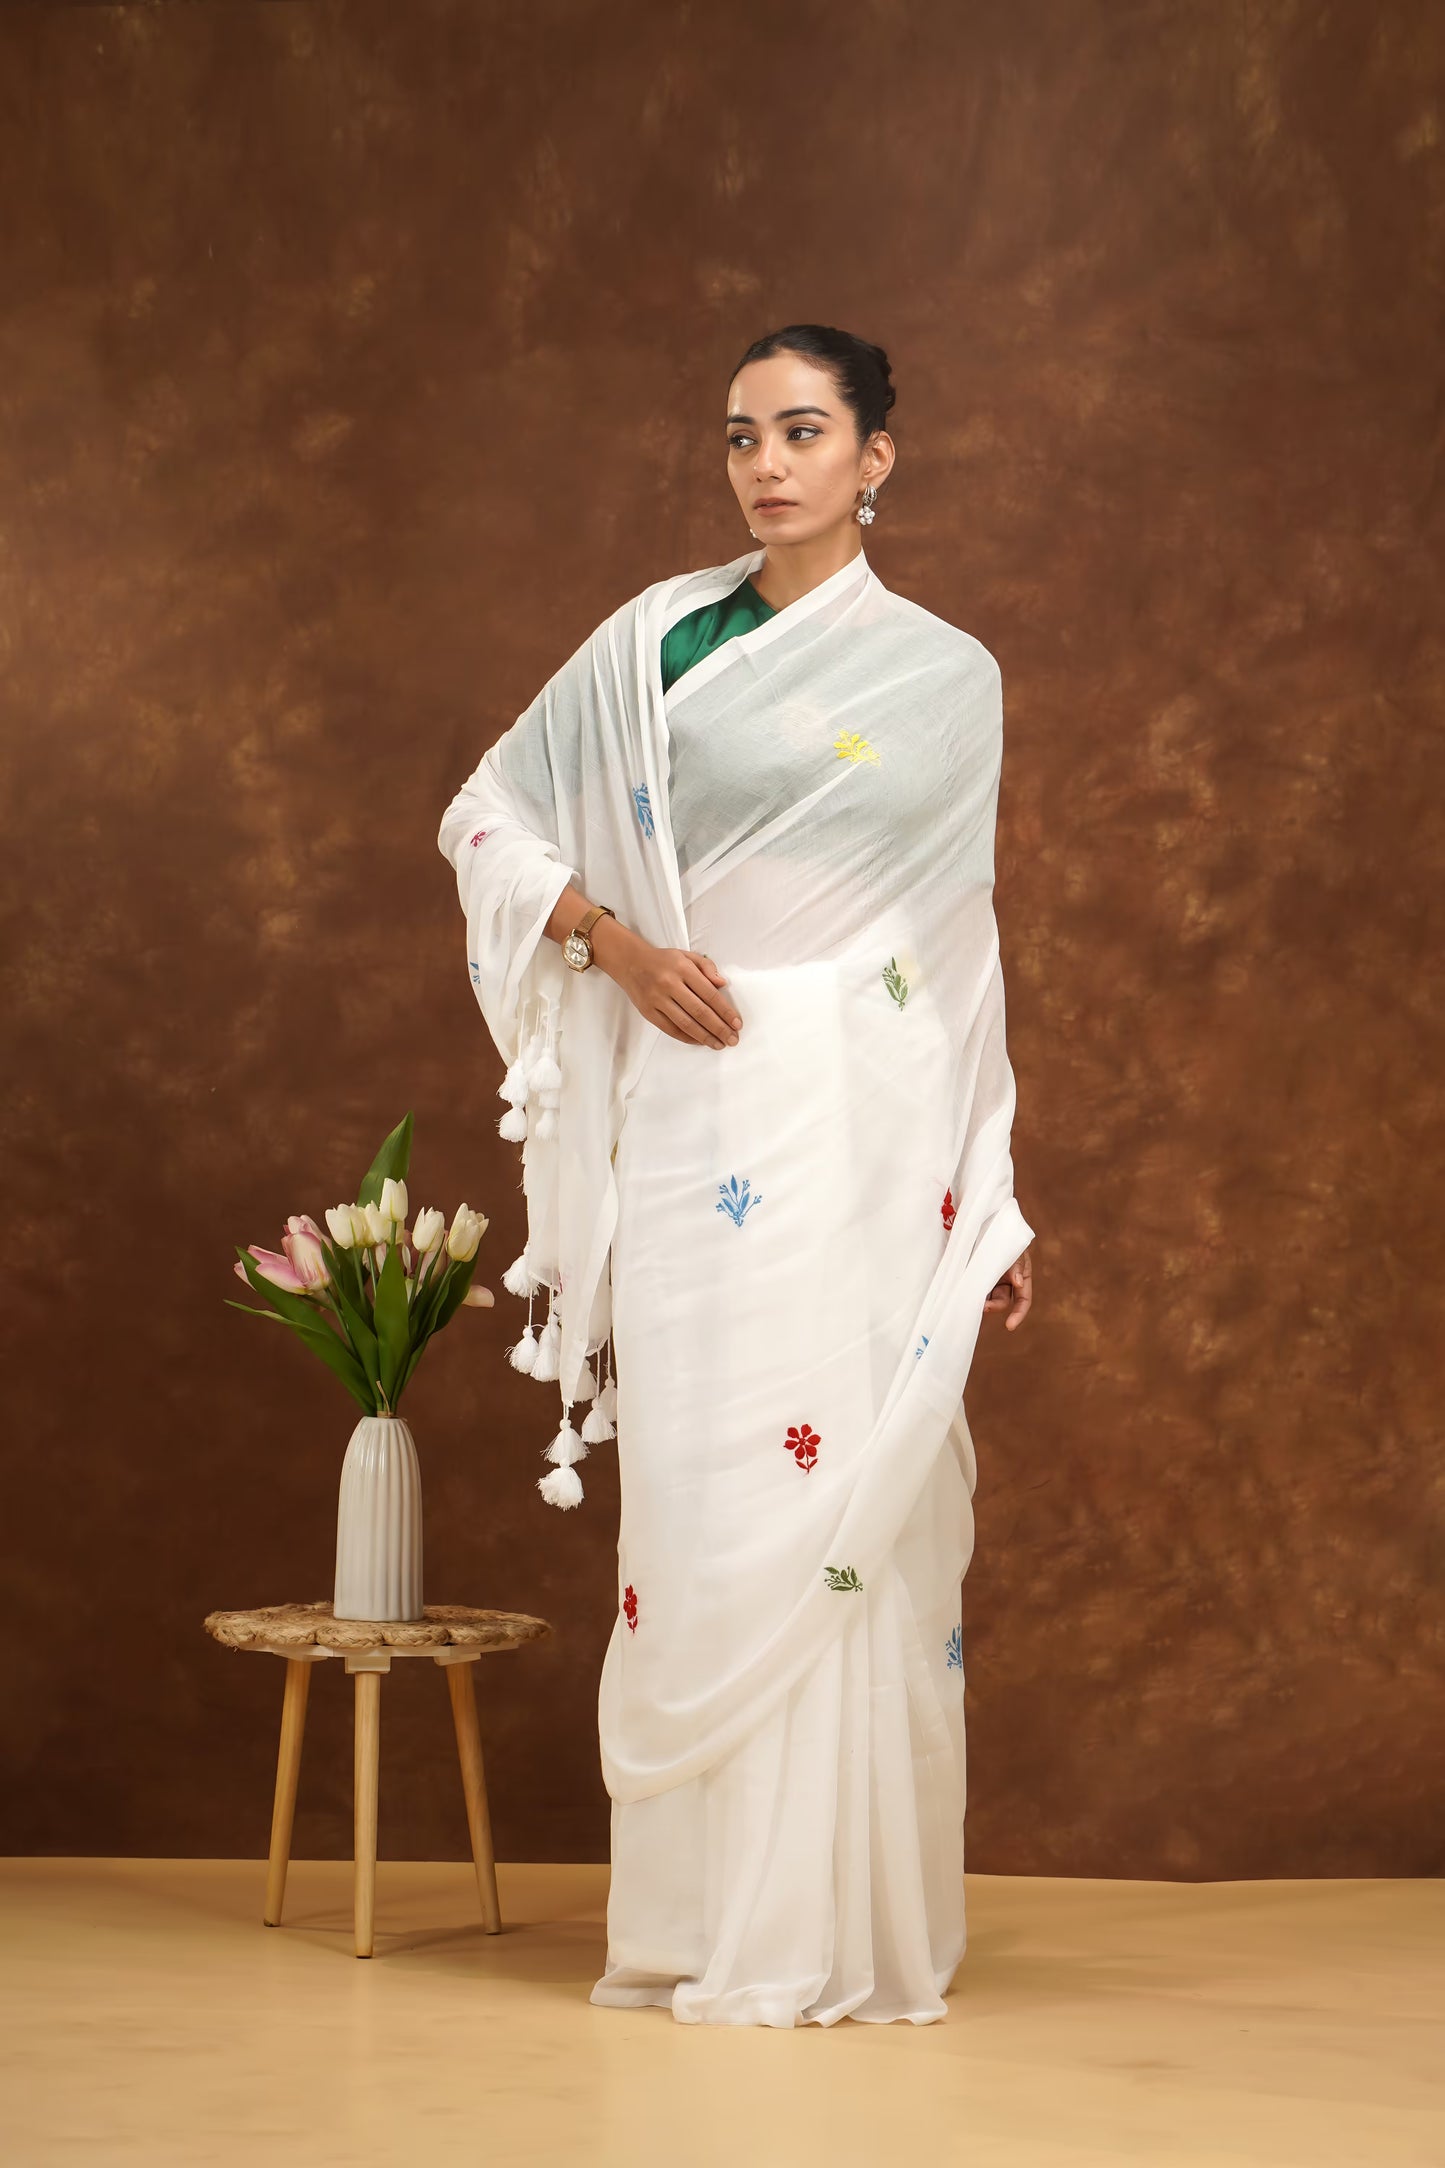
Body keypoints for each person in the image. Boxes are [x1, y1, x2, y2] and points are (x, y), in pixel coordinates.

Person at [437, 323, 1035, 2028]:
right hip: (698, 1121)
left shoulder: (946, 674)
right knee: (710, 1506)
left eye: (802, 431)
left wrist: (984, 1193)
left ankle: (838, 1926)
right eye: (740, 436)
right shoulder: (655, 640)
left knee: (853, 1510)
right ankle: (708, 1929)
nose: (765, 464)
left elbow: (957, 952)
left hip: (867, 1131)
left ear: (876, 458)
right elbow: (486, 814)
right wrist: (613, 946)